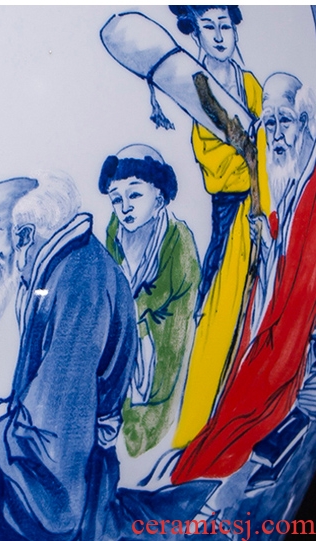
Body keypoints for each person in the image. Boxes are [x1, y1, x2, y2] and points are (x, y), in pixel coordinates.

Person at [0, 174, 137, 540]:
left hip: (70, 484)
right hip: (72, 463)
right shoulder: (63, 270)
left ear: (24, 235)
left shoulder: (79, 281)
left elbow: (54, 437)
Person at [172, 73, 316, 484]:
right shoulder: (291, 179)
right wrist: (269, 241)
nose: (277, 134)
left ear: (305, 121)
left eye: (284, 121)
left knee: (243, 419)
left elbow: (304, 283)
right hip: (277, 325)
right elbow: (288, 258)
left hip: (292, 339)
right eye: (269, 123)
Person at [169, 5, 270, 448]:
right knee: (220, 308)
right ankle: (202, 424)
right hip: (231, 212)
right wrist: (250, 153)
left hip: (265, 207)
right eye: (207, 26)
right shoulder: (196, 86)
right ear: (195, 33)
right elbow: (215, 165)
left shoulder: (250, 85)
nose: (218, 35)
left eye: (224, 25)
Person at [100, 145, 200, 458]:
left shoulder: (178, 237)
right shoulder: (114, 232)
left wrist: (128, 311)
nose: (125, 207)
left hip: (165, 333)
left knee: (159, 401)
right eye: (116, 199)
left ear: (159, 197)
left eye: (134, 195)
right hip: (127, 333)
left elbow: (166, 294)